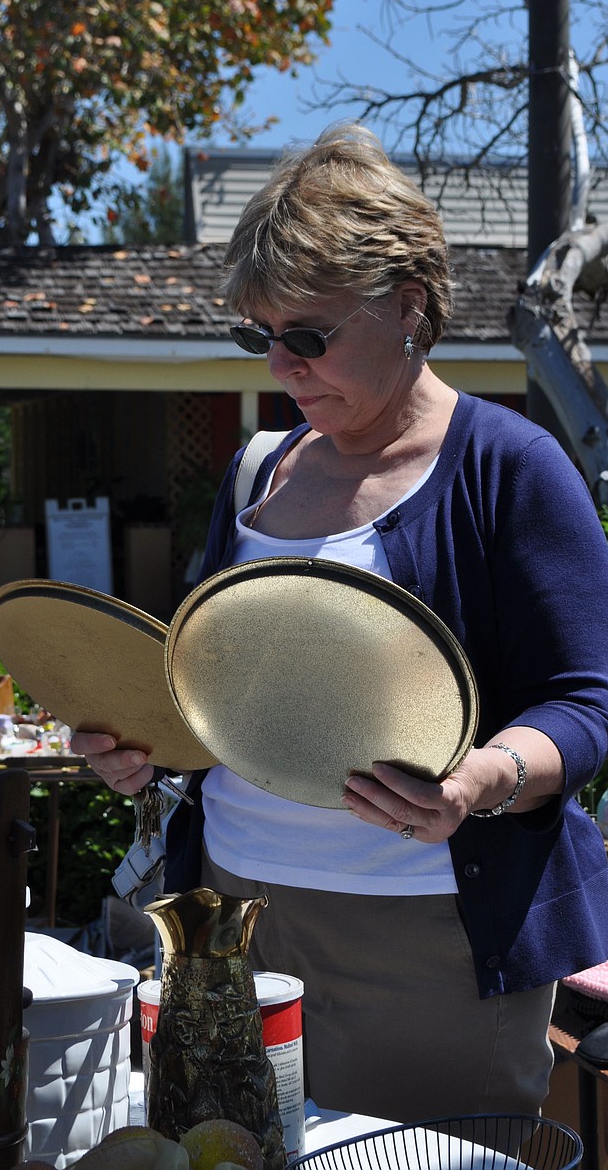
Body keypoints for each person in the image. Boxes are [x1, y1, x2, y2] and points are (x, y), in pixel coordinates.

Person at [72, 123, 608, 1124]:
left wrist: (483, 779)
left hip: (428, 946)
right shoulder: (254, 472)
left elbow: (586, 702)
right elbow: (207, 689)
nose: (280, 365)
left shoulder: (508, 469)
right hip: (227, 921)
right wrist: (139, 741)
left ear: (408, 307)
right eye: (257, 335)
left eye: (308, 335)